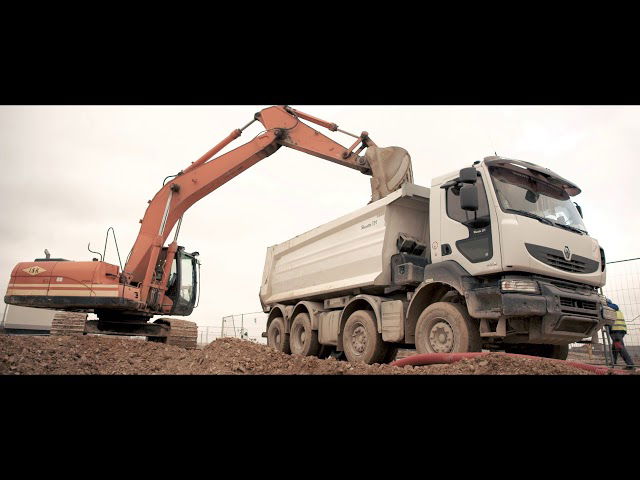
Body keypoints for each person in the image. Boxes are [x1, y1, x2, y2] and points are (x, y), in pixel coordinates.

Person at [606, 299, 635, 370]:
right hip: (621, 330)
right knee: (614, 347)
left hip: (616, 330)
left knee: (619, 347)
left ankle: (630, 364)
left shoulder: (611, 308)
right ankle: (614, 361)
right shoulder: (617, 310)